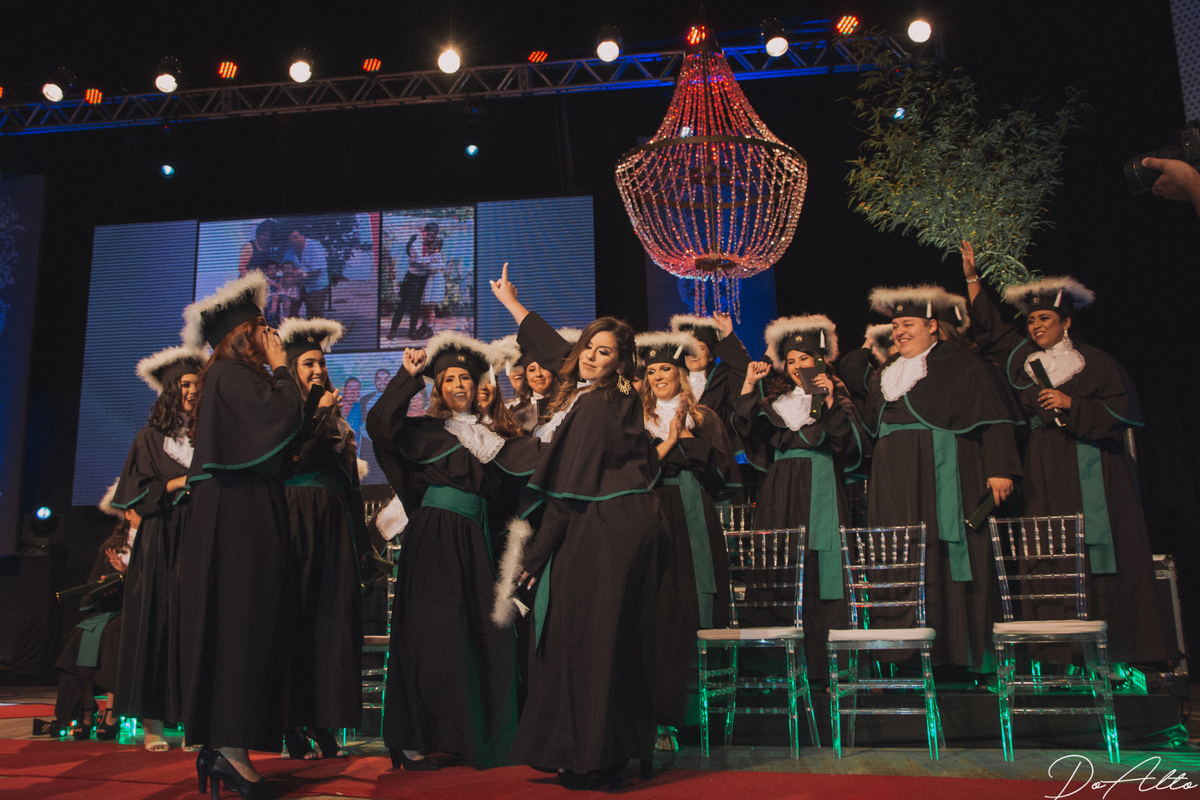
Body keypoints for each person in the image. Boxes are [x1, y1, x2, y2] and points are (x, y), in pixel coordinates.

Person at [490, 264, 662, 790]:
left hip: (604, 529)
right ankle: (587, 752)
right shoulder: (600, 393)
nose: (589, 355)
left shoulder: (603, 404)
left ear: (620, 362)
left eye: (603, 351)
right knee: (587, 639)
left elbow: (568, 494)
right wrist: (513, 305)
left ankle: (597, 758)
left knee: (592, 641)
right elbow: (561, 352)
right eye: (589, 346)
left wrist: (538, 555)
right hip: (603, 524)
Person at [961, 243, 1172, 664]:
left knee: (1102, 551)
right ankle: (1059, 651)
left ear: (1067, 322)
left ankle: (1121, 651)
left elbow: (1125, 410)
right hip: (1042, 466)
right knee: (1048, 549)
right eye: (1032, 319)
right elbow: (992, 328)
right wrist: (971, 278)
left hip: (1092, 464)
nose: (1036, 325)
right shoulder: (1024, 360)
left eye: (1045, 318)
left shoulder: (1095, 362)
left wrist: (1072, 404)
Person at [365, 332, 537, 770]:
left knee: (479, 638)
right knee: (433, 638)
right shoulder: (424, 431)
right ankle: (411, 740)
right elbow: (380, 426)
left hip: (477, 543)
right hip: (436, 539)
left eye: (465, 378)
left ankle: (469, 737)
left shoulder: (494, 437)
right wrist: (407, 376)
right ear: (438, 389)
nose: (458, 384)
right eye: (448, 379)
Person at [177, 272, 303, 799]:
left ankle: (223, 748)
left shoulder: (228, 377)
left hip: (238, 512)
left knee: (244, 626)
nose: (271, 334)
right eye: (262, 327)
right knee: (240, 627)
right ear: (243, 335)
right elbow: (282, 415)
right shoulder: (233, 376)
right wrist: (282, 367)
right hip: (238, 517)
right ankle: (230, 752)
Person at [862, 285, 1023, 672]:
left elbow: (995, 416)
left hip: (943, 469)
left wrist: (1000, 468)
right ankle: (901, 654)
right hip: (891, 475)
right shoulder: (887, 371)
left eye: (908, 324)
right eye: (895, 325)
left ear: (932, 325)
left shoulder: (961, 363)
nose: (899, 331)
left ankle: (955, 653)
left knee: (945, 553)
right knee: (898, 553)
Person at [732, 315, 867, 678]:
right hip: (779, 492)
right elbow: (749, 431)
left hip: (821, 486)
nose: (795, 366)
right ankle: (773, 668)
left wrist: (831, 399)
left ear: (819, 360)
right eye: (790, 360)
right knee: (778, 566)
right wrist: (749, 383)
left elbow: (850, 445)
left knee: (820, 567)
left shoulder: (837, 397)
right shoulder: (778, 401)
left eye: (803, 358)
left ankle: (824, 666)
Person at [636, 329, 740, 752]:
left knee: (694, 605)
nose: (659, 376)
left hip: (694, 514)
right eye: (652, 371)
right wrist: (675, 446)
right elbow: (633, 469)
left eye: (666, 368)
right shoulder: (635, 418)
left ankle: (698, 715)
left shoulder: (704, 416)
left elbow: (723, 473)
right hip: (650, 514)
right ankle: (657, 718)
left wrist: (684, 443)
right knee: (657, 608)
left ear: (681, 373)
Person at [278, 317, 371, 759]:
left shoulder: (339, 420)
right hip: (296, 520)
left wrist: (363, 546)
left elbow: (351, 487)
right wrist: (315, 409)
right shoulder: (285, 411)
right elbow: (290, 455)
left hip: (334, 526)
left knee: (331, 623)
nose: (317, 370)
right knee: (296, 621)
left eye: (321, 364)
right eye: (307, 364)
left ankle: (325, 719)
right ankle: (291, 723)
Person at [110, 345, 205, 752]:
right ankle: (154, 726)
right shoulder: (149, 439)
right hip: (160, 539)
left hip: (198, 536)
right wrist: (176, 483)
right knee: (157, 623)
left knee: (194, 626)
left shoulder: (209, 437)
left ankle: (193, 721)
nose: (192, 391)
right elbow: (133, 493)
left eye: (197, 385)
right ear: (170, 390)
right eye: (185, 385)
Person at [51, 485, 132, 741]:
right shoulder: (113, 545)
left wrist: (127, 574)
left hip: (135, 610)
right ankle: (86, 709)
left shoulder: (152, 541)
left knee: (114, 634)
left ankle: (113, 711)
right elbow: (96, 583)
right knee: (82, 634)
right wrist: (109, 581)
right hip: (110, 608)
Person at [670, 313, 752, 444]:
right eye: (689, 349)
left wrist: (728, 333)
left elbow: (746, 370)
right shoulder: (672, 385)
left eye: (700, 348)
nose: (694, 354)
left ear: (710, 356)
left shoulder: (721, 383)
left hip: (715, 449)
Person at [388, 221, 442, 341]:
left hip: (422, 278)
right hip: (412, 278)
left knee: (416, 306)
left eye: (432, 236)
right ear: (423, 232)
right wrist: (430, 260)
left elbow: (436, 261)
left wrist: (431, 261)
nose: (429, 238)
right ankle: (393, 330)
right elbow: (418, 260)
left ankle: (412, 330)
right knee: (403, 304)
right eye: (428, 235)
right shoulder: (416, 243)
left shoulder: (433, 245)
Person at [287, 226, 330, 318]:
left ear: (302, 236)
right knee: (291, 314)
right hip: (300, 287)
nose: (293, 241)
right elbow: (284, 267)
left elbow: (316, 272)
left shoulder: (315, 246)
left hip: (317, 287)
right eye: (290, 240)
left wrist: (296, 277)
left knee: (314, 316)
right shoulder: (290, 252)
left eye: (296, 238)